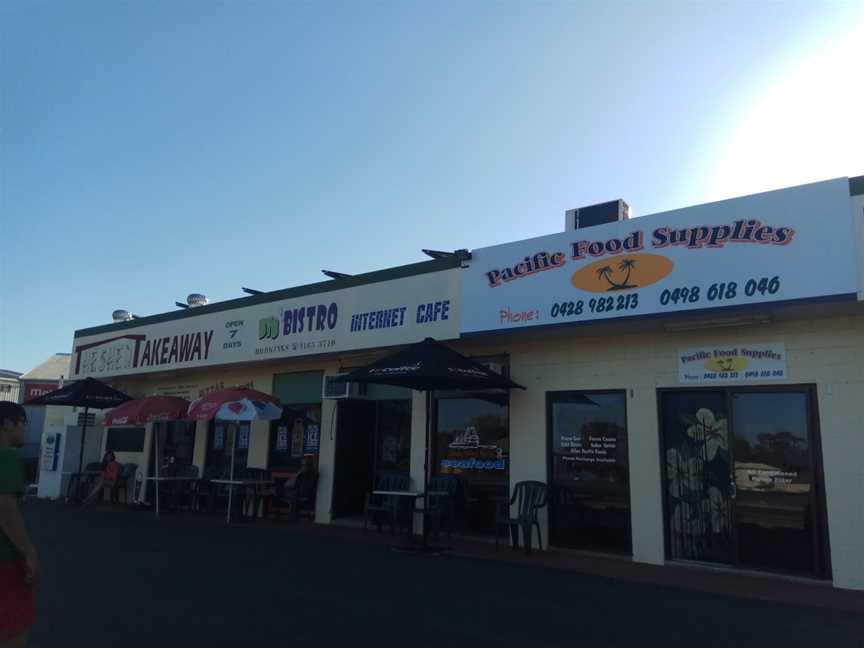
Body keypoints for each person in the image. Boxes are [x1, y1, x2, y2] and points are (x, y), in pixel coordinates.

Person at [0, 402, 38, 647]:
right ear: (6, 424)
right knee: (14, 635)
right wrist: (29, 553)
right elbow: (5, 510)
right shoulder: (7, 456)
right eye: (22, 423)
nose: (24, 429)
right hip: (4, 562)